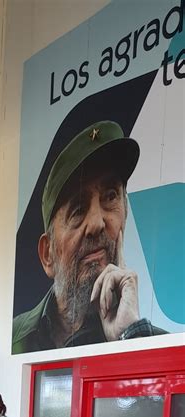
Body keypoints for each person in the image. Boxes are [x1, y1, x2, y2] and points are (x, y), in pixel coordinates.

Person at [12, 121, 166, 354]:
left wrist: (130, 337)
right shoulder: (12, 339)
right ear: (47, 255)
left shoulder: (158, 346)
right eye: (78, 209)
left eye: (110, 197)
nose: (96, 223)